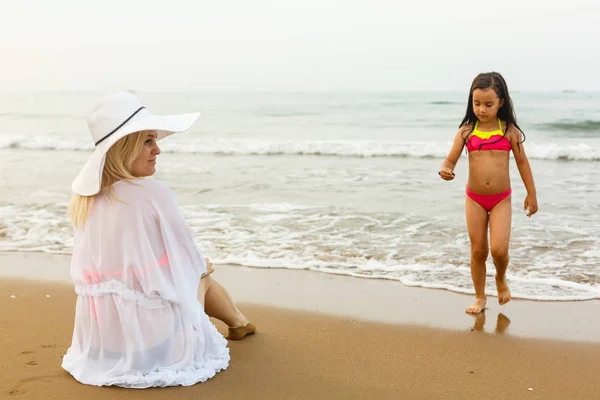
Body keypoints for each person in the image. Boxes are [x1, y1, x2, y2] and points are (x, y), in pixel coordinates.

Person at [62, 92, 255, 388]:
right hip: (158, 346)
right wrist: (197, 266)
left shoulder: (85, 200)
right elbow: (188, 260)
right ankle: (239, 323)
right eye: (148, 140)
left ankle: (239, 322)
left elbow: (108, 271)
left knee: (172, 275)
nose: (158, 149)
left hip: (105, 344)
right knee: (202, 269)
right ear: (124, 148)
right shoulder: (153, 194)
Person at [439, 72, 538, 314]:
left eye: (488, 104)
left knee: (499, 250)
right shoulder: (466, 131)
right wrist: (446, 169)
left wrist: (531, 194)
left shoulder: (509, 131)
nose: (481, 109)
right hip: (474, 198)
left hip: (501, 198)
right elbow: (450, 160)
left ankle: (501, 278)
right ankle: (480, 297)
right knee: (478, 250)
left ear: (501, 103)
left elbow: (522, 163)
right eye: (477, 103)